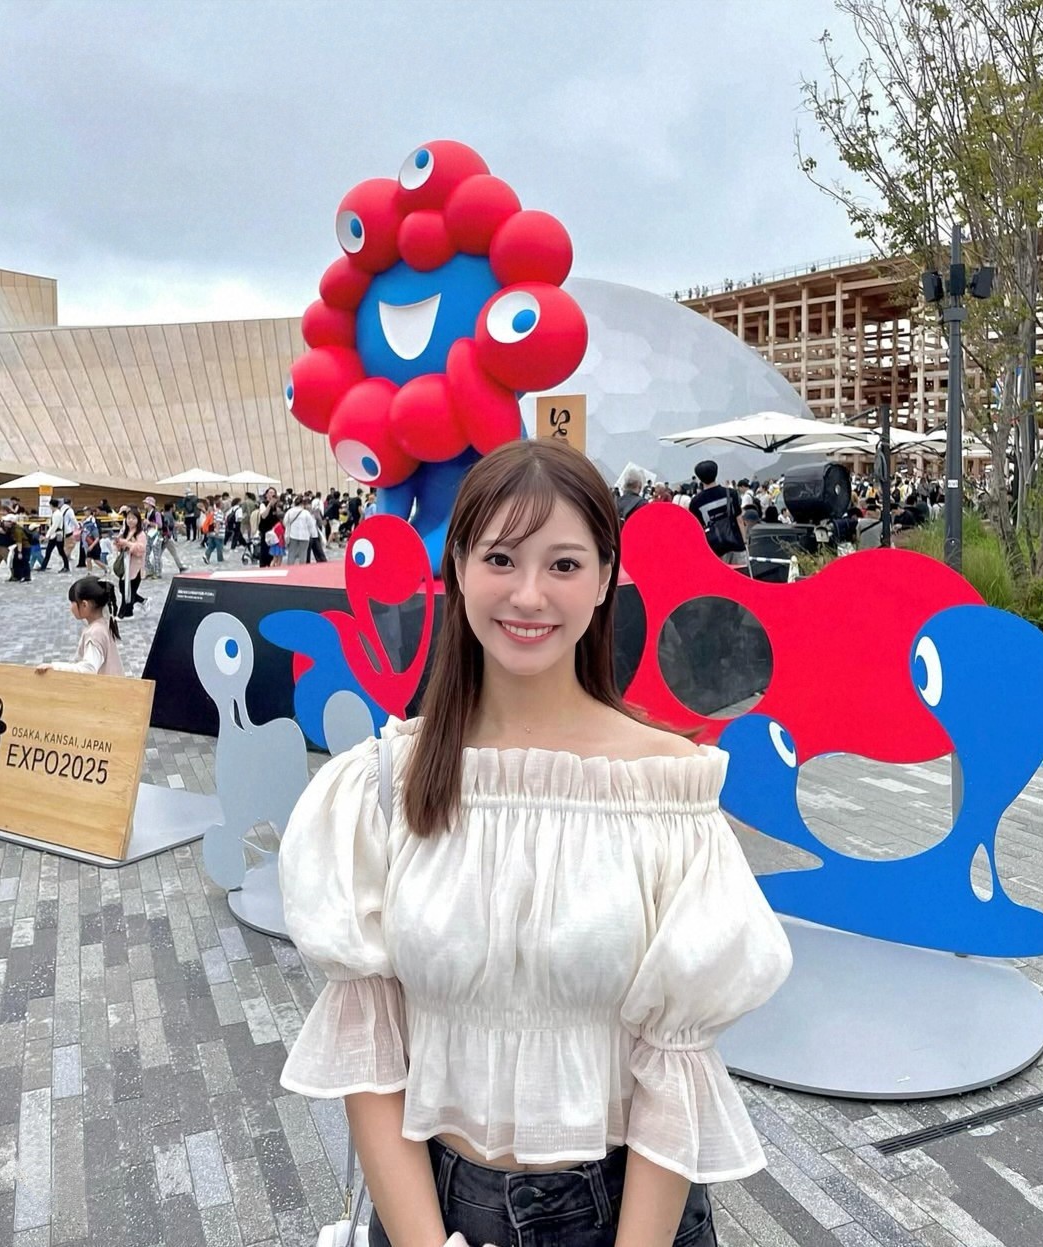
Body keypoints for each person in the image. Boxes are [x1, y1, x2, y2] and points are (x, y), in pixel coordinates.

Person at [278, 439, 792, 1247]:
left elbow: (674, 1062)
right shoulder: (388, 780)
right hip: (429, 1206)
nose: (529, 593)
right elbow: (369, 1047)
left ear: (605, 578)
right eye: (501, 558)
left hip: (621, 1213)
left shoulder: (664, 788)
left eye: (563, 564)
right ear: (456, 567)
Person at [36, 576, 123, 676]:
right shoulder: (105, 623)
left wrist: (55, 667)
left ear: (84, 605)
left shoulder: (95, 633)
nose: (70, 607)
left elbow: (88, 669)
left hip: (104, 685)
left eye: (72, 602)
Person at [689, 460, 748, 567]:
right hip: (736, 544)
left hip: (714, 549)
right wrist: (744, 541)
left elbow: (697, 530)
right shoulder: (731, 493)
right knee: (741, 575)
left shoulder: (696, 502)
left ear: (699, 478)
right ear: (716, 473)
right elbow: (739, 520)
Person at [114, 508, 147, 619]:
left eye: (133, 518)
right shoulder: (126, 532)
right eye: (128, 518)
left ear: (138, 520)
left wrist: (127, 543)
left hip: (135, 567)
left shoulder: (140, 534)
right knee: (124, 589)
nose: (130, 520)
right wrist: (119, 544)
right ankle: (139, 603)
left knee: (128, 590)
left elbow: (141, 549)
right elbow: (121, 548)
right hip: (126, 565)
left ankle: (123, 614)